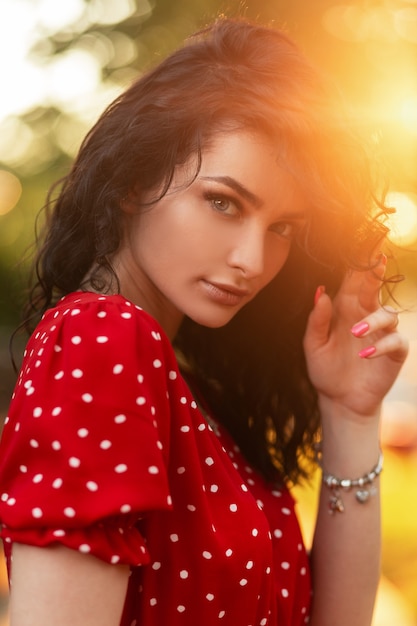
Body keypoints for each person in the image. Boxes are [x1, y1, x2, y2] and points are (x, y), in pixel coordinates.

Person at [0, 15, 408, 626]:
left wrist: (350, 414)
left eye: (281, 230)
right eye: (222, 202)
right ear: (133, 180)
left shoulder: (186, 387)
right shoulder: (101, 338)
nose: (252, 260)